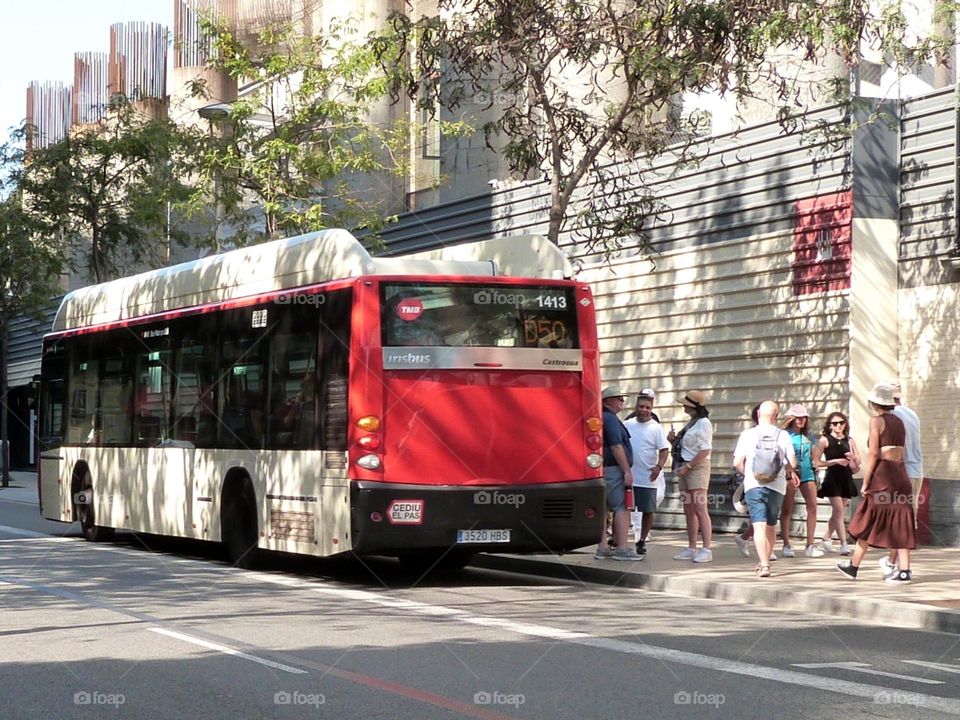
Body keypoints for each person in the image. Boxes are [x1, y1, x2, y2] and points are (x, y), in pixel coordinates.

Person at [836, 382, 916, 584]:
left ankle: (854, 566)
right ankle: (904, 570)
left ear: (874, 403)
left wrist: (866, 480)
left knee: (868, 519)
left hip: (884, 474)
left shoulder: (876, 421)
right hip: (900, 472)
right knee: (901, 520)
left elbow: (873, 452)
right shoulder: (900, 421)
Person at [733, 400, 798, 578]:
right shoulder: (783, 435)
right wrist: (784, 471)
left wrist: (748, 473)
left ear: (758, 415)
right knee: (771, 524)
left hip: (754, 485)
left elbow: (737, 462)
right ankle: (766, 560)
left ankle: (764, 564)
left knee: (758, 525)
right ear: (776, 416)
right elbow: (792, 463)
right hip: (777, 486)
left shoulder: (747, 434)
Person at [595, 386, 642, 561]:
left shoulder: (602, 417)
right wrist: (626, 470)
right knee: (622, 507)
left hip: (604, 468)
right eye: (619, 398)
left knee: (604, 508)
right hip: (614, 469)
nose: (622, 401)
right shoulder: (611, 419)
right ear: (608, 401)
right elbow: (616, 446)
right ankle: (622, 548)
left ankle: (602, 547)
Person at [668, 390, 713, 563]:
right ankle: (692, 546)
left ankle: (707, 548)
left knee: (700, 509)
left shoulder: (703, 423)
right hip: (685, 466)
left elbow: (704, 450)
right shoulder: (691, 423)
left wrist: (688, 466)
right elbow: (688, 446)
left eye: (686, 404)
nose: (683, 406)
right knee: (689, 508)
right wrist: (673, 440)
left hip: (696, 467)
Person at [624, 389, 669, 559]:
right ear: (636, 407)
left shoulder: (656, 428)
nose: (644, 410)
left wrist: (658, 467)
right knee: (623, 509)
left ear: (652, 409)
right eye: (642, 406)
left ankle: (642, 540)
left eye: (648, 408)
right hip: (628, 476)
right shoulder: (627, 424)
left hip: (648, 477)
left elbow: (664, 450)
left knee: (648, 511)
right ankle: (618, 539)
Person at [779, 404, 824, 558]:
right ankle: (786, 544)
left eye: (804, 417)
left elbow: (813, 455)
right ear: (791, 419)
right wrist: (787, 470)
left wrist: (815, 464)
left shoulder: (808, 436)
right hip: (790, 473)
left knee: (812, 506)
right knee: (787, 509)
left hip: (807, 473)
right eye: (798, 417)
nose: (801, 420)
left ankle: (810, 545)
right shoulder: (784, 435)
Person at [814, 410, 860, 555]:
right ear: (830, 425)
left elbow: (858, 461)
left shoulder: (850, 440)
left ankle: (826, 538)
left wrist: (853, 457)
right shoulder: (824, 440)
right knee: (839, 510)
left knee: (839, 511)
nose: (838, 426)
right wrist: (835, 461)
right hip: (832, 478)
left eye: (841, 422)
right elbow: (816, 462)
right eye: (835, 423)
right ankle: (843, 543)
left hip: (846, 478)